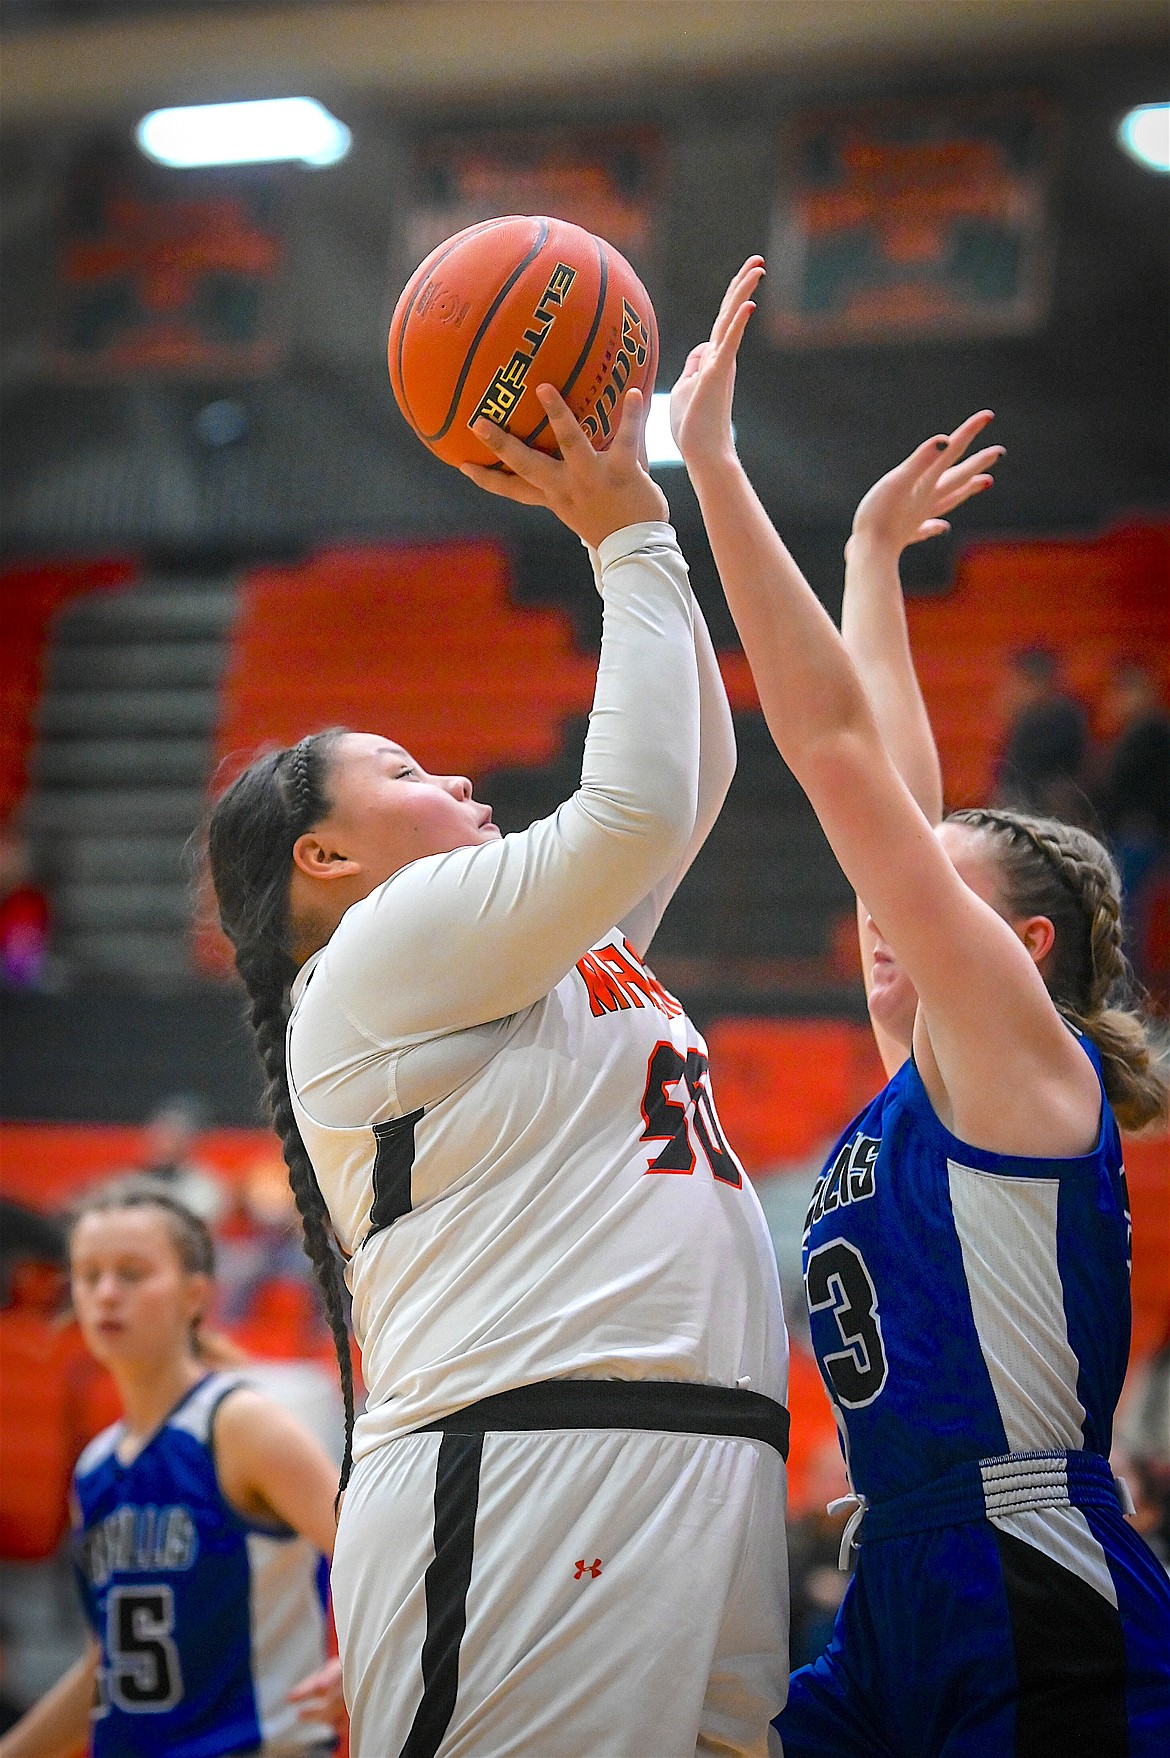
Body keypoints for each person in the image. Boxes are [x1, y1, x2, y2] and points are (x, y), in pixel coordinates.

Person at [205, 381, 791, 1757]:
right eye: (403, 770)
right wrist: (624, 537)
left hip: (686, 1453)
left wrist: (655, 519)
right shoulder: (371, 958)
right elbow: (634, 805)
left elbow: (685, 785)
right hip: (527, 1452)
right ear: (327, 860)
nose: (457, 774)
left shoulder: (513, 957)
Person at [671, 257, 1170, 1756]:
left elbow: (831, 752)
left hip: (1025, 1575)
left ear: (1013, 947)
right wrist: (870, 562)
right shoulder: (930, 1074)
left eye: (922, 903)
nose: (878, 918)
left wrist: (711, 467)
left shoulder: (1029, 1065)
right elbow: (885, 762)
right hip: (894, 1566)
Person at [0, 1176, 345, 1758]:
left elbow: (384, 1561)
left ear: (194, 1294)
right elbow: (103, 1667)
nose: (106, 1293)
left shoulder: (239, 1426)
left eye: (132, 1274)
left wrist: (365, 1661)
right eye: (88, 1276)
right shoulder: (96, 1466)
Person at [992, 646, 1091, 826]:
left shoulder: (1042, 723)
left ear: (1032, 683)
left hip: (1045, 823)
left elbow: (1017, 788)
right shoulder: (1069, 716)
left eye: (1013, 684)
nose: (1005, 693)